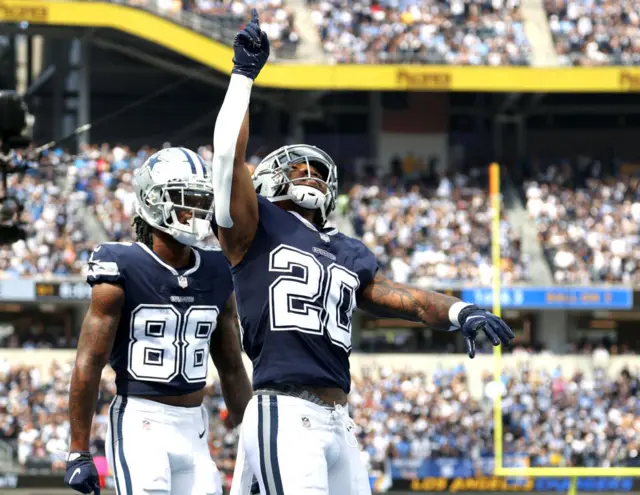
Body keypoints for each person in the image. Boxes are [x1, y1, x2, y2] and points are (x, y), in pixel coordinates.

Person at [212, 11, 515, 495]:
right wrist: (243, 78)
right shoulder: (254, 226)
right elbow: (226, 156)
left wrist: (461, 311)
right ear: (271, 181)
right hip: (284, 413)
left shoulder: (346, 248)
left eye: (317, 170)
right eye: (300, 169)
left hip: (339, 419)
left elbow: (403, 298)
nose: (310, 175)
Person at [64, 147, 252, 495]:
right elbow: (89, 362)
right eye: (184, 198)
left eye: (201, 198)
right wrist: (78, 448)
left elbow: (231, 368)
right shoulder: (121, 265)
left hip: (196, 426)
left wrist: (252, 441)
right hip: (141, 423)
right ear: (152, 201)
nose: (195, 208)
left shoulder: (216, 269)